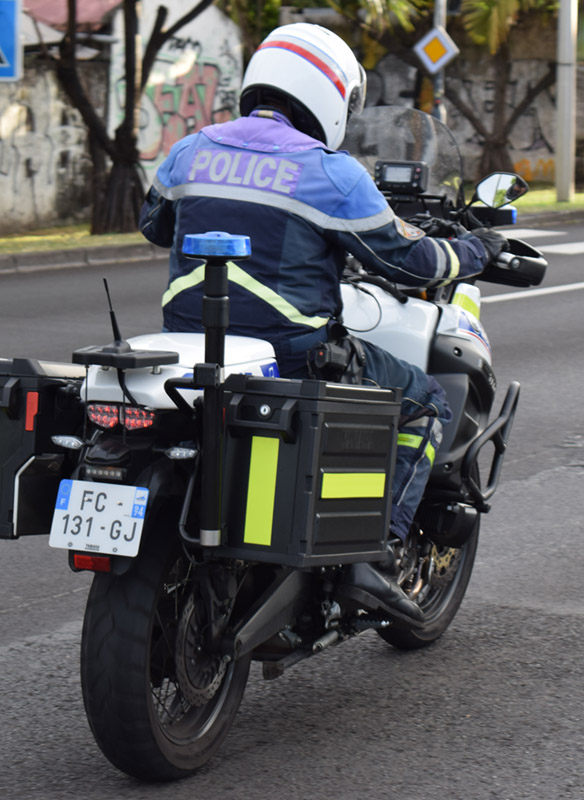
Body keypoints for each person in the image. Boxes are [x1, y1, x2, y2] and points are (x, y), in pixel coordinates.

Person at [139, 23, 508, 624]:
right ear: (332, 95)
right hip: (293, 357)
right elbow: (409, 259)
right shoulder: (332, 174)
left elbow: (155, 225)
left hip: (195, 351)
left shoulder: (189, 149)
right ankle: (375, 555)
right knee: (426, 402)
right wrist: (476, 251)